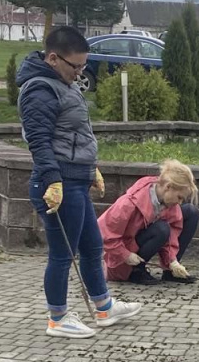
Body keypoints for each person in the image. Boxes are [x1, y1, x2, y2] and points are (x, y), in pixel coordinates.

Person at [19, 26, 142, 339]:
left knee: (92, 246)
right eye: (76, 66)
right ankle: (57, 318)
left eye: (84, 66)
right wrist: (52, 180)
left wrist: (92, 167)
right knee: (63, 255)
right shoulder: (39, 89)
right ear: (52, 58)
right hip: (58, 183)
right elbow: (39, 140)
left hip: (77, 178)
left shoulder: (64, 83)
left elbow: (75, 133)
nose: (80, 72)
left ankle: (103, 307)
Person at [97, 159, 199, 285]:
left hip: (139, 245)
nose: (180, 202)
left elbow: (174, 231)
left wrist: (172, 261)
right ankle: (136, 272)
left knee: (191, 212)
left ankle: (171, 271)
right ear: (168, 187)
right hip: (122, 261)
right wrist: (126, 255)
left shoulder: (169, 204)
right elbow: (103, 232)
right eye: (179, 197)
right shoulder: (128, 204)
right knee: (162, 229)